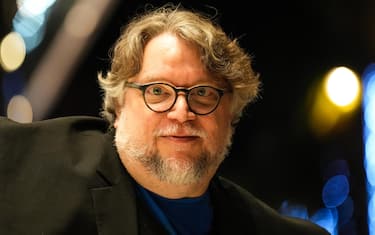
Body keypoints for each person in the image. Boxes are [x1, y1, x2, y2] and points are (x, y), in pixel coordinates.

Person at [0, 4, 330, 235]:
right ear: (118, 106)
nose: (181, 111)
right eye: (158, 91)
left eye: (203, 94)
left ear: (231, 116)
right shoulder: (17, 165)